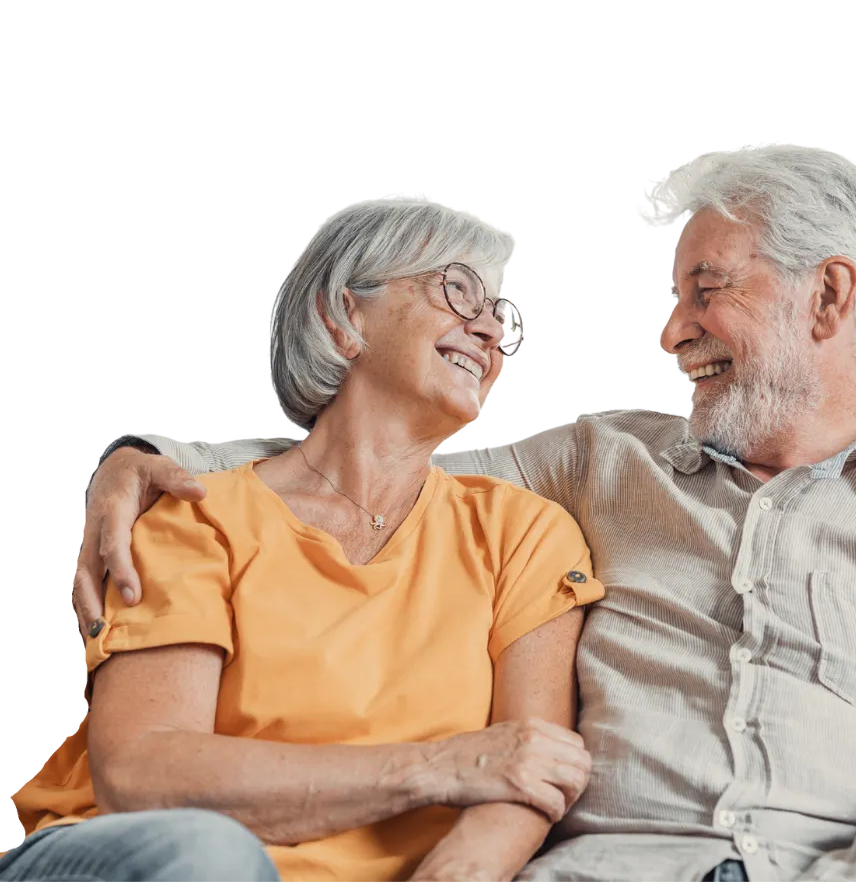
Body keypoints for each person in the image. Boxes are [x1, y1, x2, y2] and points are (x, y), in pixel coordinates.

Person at [66, 146, 856, 881]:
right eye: (672, 298)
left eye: (706, 290)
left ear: (829, 297)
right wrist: (140, 459)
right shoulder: (597, 464)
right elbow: (364, 460)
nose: (672, 333)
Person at [6, 203, 606, 882]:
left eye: (505, 315)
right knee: (213, 857)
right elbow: (143, 776)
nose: (492, 330)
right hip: (138, 858)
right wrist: (439, 766)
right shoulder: (200, 518)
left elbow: (529, 773)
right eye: (459, 289)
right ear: (343, 317)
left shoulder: (524, 534)